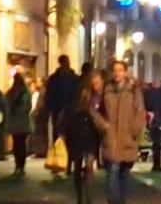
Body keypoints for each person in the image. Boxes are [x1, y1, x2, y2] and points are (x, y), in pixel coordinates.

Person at [91, 60, 146, 204]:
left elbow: (140, 111)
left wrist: (134, 129)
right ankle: (114, 201)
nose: (117, 73)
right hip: (111, 139)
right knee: (112, 172)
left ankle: (121, 201)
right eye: (115, 70)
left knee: (124, 175)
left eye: (120, 70)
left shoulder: (133, 90)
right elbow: (94, 110)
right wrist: (103, 125)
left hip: (127, 139)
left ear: (125, 72)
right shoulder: (106, 90)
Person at [62, 69, 105, 204]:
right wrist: (64, 130)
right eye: (94, 83)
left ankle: (88, 198)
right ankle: (80, 197)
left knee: (89, 167)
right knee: (77, 167)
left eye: (98, 83)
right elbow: (69, 113)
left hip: (91, 135)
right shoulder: (79, 97)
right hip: (77, 134)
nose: (97, 86)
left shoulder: (100, 97)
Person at [4, 72, 34, 175]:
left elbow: (7, 104)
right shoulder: (25, 92)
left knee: (19, 144)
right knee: (19, 144)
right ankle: (19, 165)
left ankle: (20, 165)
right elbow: (28, 106)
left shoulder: (16, 92)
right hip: (20, 121)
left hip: (19, 121)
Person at [45, 54, 80, 139]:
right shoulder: (74, 78)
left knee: (59, 137)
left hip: (61, 112)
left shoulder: (54, 78)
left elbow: (49, 96)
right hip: (67, 111)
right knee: (66, 137)